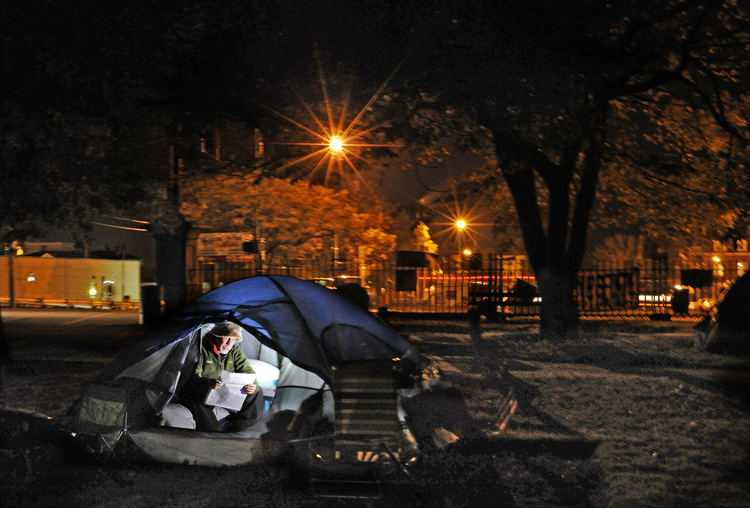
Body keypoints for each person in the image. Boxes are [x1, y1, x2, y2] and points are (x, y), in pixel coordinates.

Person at [181, 321, 264, 431]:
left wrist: (254, 385)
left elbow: (248, 371)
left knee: (257, 391)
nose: (229, 343)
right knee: (196, 396)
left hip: (222, 392)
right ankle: (211, 431)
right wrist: (208, 383)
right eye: (226, 338)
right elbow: (191, 377)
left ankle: (244, 428)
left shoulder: (235, 351)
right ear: (216, 336)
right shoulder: (200, 349)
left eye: (233, 339)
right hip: (202, 391)